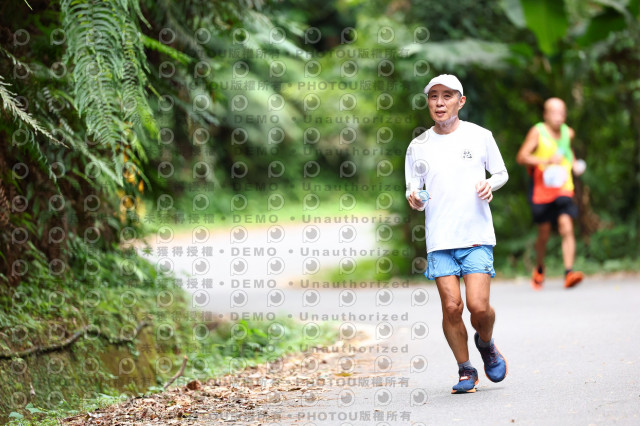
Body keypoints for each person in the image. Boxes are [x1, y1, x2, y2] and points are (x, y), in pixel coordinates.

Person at [405, 74, 509, 394]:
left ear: (460, 101)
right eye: (433, 96)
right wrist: (414, 197)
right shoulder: (418, 146)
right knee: (452, 307)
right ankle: (466, 370)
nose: (439, 102)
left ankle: (486, 343)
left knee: (479, 307)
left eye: (447, 96)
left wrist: (489, 184)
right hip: (440, 239)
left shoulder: (480, 136)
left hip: (475, 235)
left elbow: (501, 173)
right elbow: (414, 189)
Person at [516, 97, 585, 291]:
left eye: (562, 112)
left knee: (566, 226)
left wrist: (575, 163)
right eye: (554, 112)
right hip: (542, 190)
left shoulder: (567, 132)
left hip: (563, 187)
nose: (559, 117)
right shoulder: (537, 132)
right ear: (545, 115)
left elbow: (567, 150)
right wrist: (546, 160)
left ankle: (569, 272)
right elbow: (522, 157)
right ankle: (539, 268)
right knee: (544, 232)